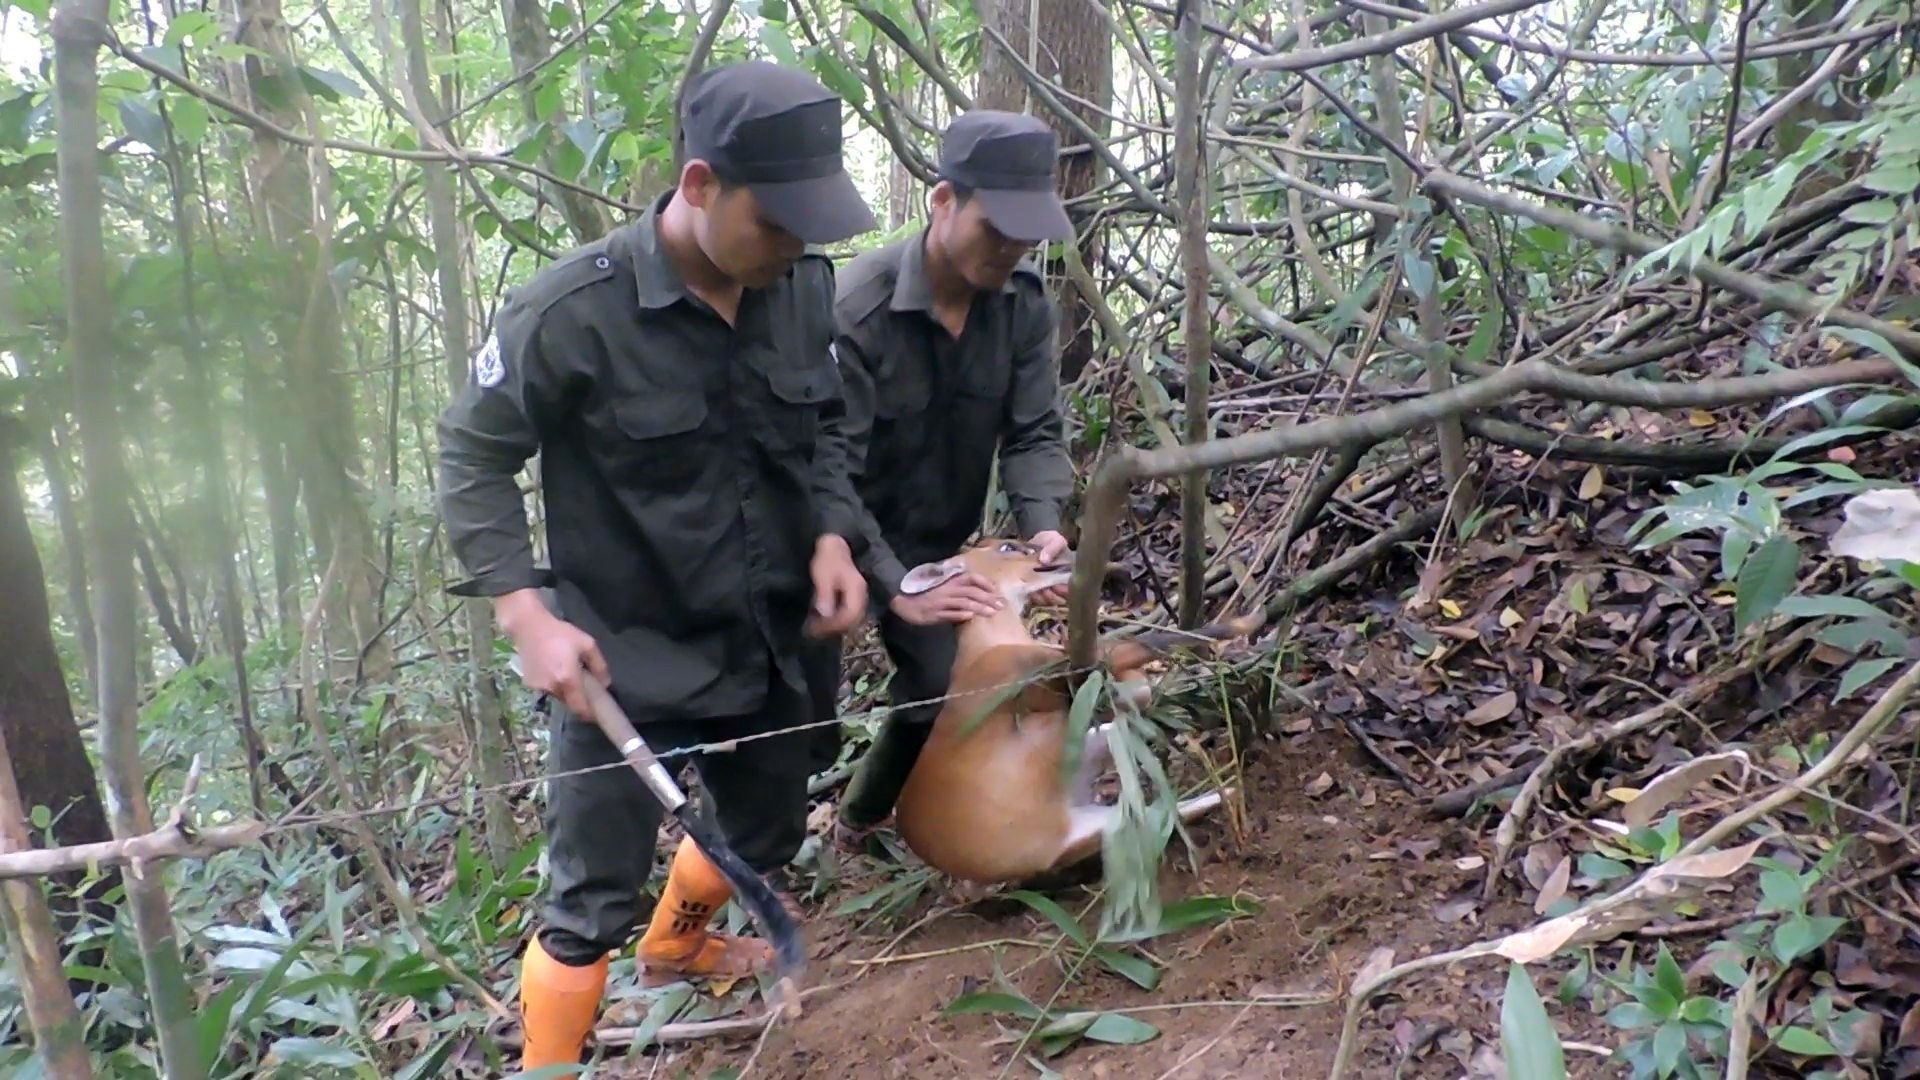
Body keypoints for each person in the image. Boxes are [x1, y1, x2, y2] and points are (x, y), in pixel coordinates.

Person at [435, 60, 877, 1071]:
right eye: (777, 222)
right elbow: (470, 458)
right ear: (699, 186)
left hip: (775, 639)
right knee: (587, 895)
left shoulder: (802, 289)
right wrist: (524, 615)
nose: (796, 248)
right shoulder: (566, 315)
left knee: (765, 825)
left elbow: (833, 433)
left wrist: (833, 534)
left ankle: (678, 944)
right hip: (623, 651)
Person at [806, 109, 1077, 853]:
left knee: (938, 685)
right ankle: (755, 861)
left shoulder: (1021, 308)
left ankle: (859, 825)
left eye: (1027, 233)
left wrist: (1044, 524)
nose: (1012, 248)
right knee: (797, 726)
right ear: (943, 201)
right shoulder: (856, 313)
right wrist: (895, 584)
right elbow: (828, 471)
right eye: (997, 228)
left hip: (934, 537)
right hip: (824, 535)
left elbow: (1032, 431)